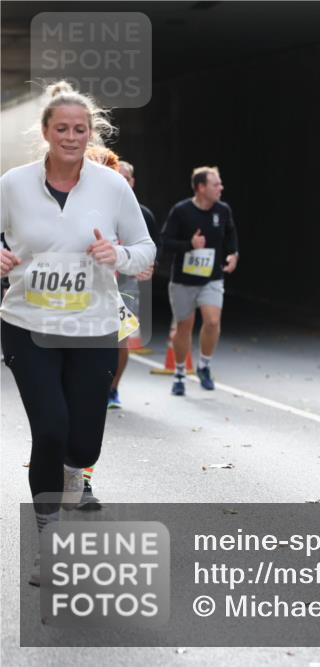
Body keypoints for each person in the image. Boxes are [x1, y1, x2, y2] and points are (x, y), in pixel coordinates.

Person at [0, 81, 155, 584]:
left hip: (92, 327)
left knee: (83, 444)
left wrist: (119, 256)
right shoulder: (13, 184)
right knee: (49, 429)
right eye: (62, 128)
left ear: (92, 134)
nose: (71, 136)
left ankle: (75, 476)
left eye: (80, 129)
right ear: (45, 132)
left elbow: (145, 249)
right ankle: (49, 544)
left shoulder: (111, 187)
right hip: (29, 324)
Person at [160, 166, 238, 396]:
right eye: (216, 184)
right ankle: (180, 373)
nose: (221, 188)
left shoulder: (223, 210)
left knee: (212, 321)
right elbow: (165, 241)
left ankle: (204, 365)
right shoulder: (181, 211)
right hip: (183, 280)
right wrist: (189, 245)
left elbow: (231, 234)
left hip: (211, 278)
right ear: (201, 187)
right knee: (184, 327)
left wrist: (233, 254)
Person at [107, 159, 158, 409]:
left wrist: (150, 266)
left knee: (120, 339)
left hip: (127, 284)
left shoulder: (144, 214)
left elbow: (153, 248)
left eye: (126, 178)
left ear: (132, 183)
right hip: (99, 281)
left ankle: (112, 389)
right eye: (117, 177)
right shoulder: (99, 208)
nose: (122, 182)